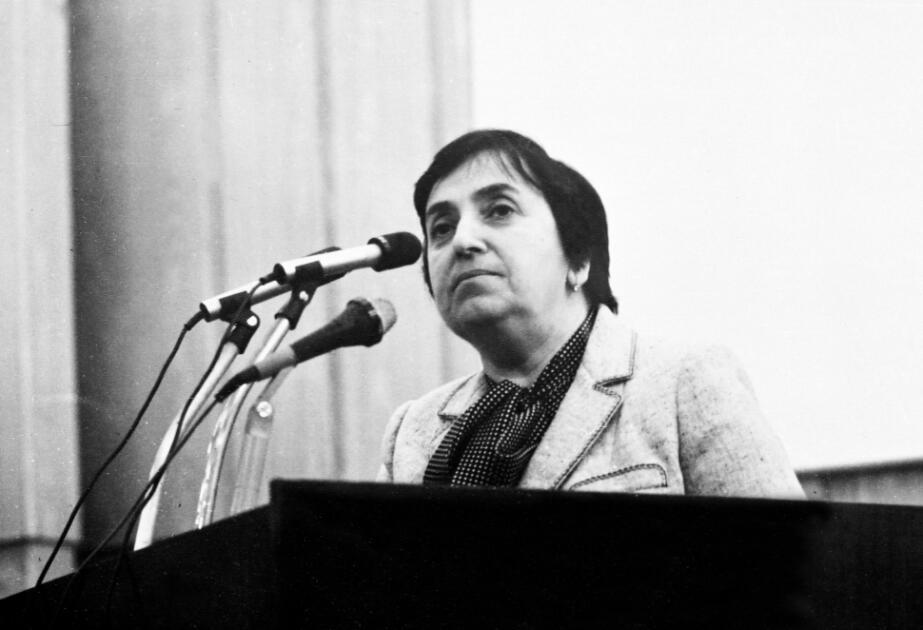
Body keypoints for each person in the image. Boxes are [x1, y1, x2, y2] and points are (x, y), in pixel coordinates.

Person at [377, 129, 803, 497]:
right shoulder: (412, 430)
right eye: (442, 228)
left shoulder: (684, 383)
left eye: (500, 211)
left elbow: (788, 556)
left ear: (579, 258)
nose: (462, 241)